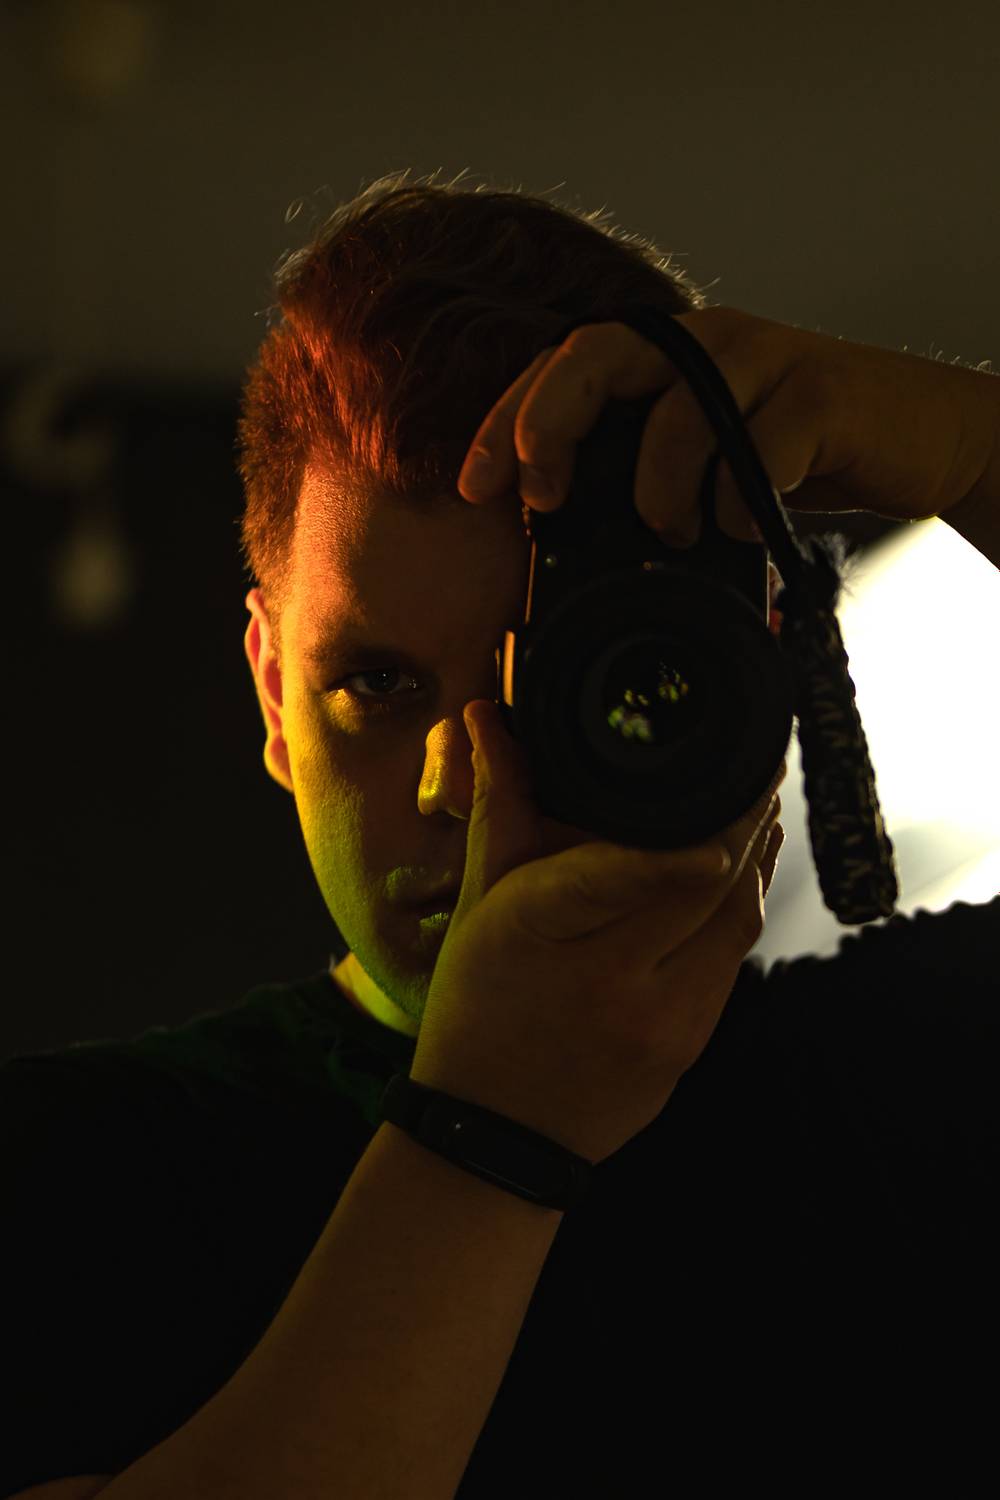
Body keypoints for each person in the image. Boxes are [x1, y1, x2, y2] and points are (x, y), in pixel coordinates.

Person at [3, 168, 997, 1500]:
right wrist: (494, 1131)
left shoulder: (918, 1079)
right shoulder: (72, 1177)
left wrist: (968, 443)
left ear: (745, 672)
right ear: (274, 697)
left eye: (556, 680)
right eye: (379, 684)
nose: (463, 785)